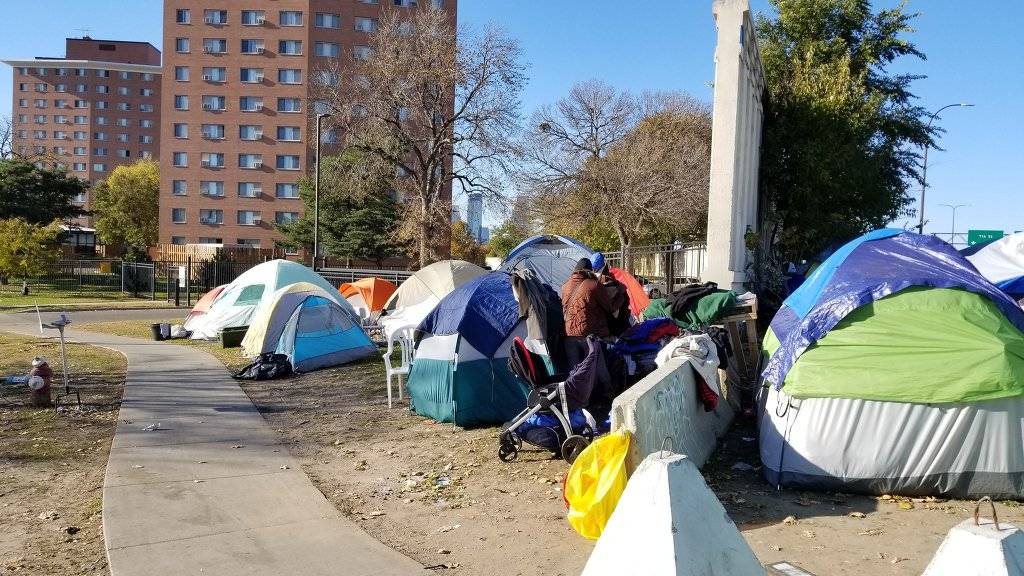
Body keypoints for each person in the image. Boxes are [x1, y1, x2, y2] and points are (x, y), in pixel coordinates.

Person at [561, 258, 619, 368]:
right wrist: (620, 295)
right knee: (597, 368)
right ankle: (605, 385)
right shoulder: (594, 285)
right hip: (588, 335)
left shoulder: (565, 286)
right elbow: (610, 308)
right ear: (590, 270)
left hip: (568, 335)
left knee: (575, 372)